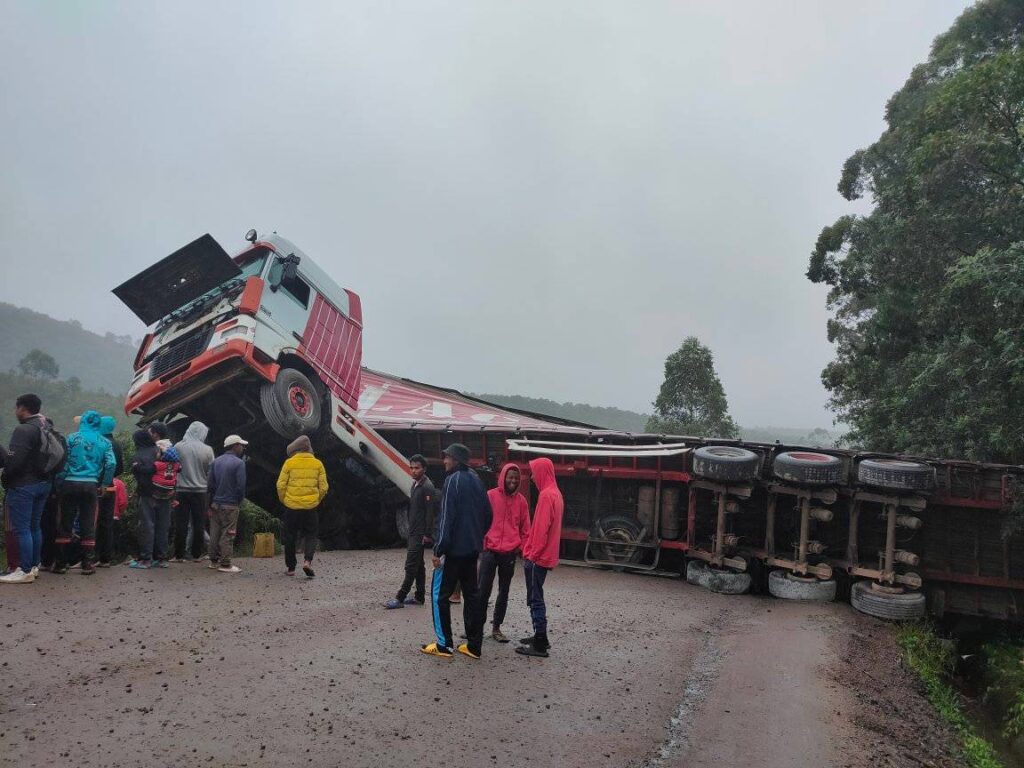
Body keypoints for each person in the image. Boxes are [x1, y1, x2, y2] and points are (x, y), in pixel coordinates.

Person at [420, 443, 490, 660]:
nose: (444, 461)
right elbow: (488, 515)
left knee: (439, 596)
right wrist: (476, 537)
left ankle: (444, 645)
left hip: (452, 552)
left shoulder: (452, 481)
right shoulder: (477, 481)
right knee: (472, 596)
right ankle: (474, 646)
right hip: (472, 551)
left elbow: (446, 518)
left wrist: (438, 549)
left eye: (447, 457)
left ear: (456, 460)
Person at [53, 410, 116, 575]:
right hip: (91, 486)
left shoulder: (72, 438)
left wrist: (59, 482)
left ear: (83, 422)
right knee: (88, 523)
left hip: (70, 483)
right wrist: (104, 484)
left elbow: (64, 462)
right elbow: (111, 464)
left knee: (65, 522)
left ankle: (60, 563)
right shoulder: (104, 442)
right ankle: (87, 564)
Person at [1, 394, 54, 584]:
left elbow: (15, 462)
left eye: (17, 408)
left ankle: (23, 571)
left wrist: (5, 477)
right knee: (34, 526)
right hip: (44, 483)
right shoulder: (45, 425)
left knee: (22, 529)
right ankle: (33, 566)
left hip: (24, 486)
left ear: (22, 408)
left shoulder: (23, 430)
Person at [516, 457, 564, 659]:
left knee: (535, 598)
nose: (533, 477)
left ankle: (540, 641)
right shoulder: (556, 494)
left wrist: (531, 555)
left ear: (543, 472)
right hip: (546, 556)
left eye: (535, 472)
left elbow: (541, 530)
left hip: (539, 557)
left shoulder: (546, 496)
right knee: (537, 596)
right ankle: (539, 635)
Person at [479, 463, 530, 643]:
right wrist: (483, 542)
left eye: (516, 478)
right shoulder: (490, 496)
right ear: (503, 477)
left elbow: (526, 529)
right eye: (510, 477)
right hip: (489, 551)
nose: (513, 481)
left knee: (504, 591)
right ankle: (477, 627)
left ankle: (496, 628)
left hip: (509, 553)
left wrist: (522, 549)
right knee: (482, 590)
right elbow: (480, 519)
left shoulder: (522, 502)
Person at [385, 454, 436, 608]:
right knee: (419, 565)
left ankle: (399, 598)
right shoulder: (416, 485)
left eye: (417, 468)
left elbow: (430, 513)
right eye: (411, 467)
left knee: (411, 565)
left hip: (419, 533)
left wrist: (427, 534)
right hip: (414, 531)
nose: (413, 471)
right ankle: (419, 597)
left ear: (424, 469)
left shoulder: (427, 487)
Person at [276, 434, 328, 579]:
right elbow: (324, 487)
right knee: (311, 534)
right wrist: (316, 500)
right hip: (310, 507)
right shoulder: (318, 464)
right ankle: (307, 561)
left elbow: (280, 485)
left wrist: (284, 500)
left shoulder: (289, 463)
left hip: (291, 506)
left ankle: (291, 568)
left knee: (290, 536)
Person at [127, 428, 169, 569]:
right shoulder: (161, 450)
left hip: (147, 495)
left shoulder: (138, 456)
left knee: (147, 526)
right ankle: (161, 559)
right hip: (165, 494)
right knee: (162, 526)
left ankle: (146, 559)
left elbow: (140, 479)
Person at [172, 421, 214, 562]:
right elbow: (211, 472)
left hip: (181, 491)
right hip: (201, 491)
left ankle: (179, 555)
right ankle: (197, 555)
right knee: (199, 523)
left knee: (181, 523)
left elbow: (172, 467)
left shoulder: (178, 447)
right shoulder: (208, 450)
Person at [208, 434, 248, 574]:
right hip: (230, 505)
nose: (243, 448)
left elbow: (210, 485)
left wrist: (210, 504)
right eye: (241, 445)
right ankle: (225, 564)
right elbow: (240, 486)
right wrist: (238, 501)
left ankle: (213, 561)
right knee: (228, 534)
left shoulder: (216, 462)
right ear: (235, 446)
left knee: (214, 533)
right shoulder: (239, 463)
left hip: (215, 504)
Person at [95, 415, 124, 567]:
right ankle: (106, 558)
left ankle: (90, 557)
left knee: (91, 521)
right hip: (112, 487)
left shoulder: (99, 442)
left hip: (97, 487)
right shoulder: (117, 444)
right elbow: (120, 468)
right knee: (107, 522)